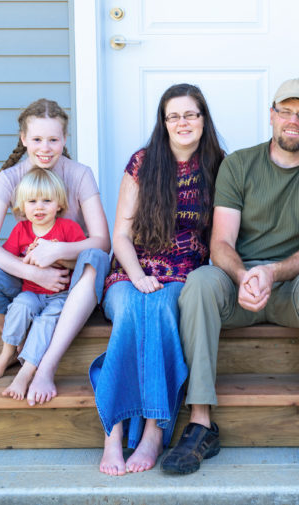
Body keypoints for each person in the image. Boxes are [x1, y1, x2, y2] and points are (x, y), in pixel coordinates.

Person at [162, 78, 299, 477]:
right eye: (285, 111)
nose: (293, 121)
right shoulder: (239, 164)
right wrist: (246, 274)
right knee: (198, 282)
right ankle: (200, 421)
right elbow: (220, 243)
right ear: (271, 114)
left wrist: (273, 272)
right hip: (240, 285)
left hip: (293, 288)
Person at [89, 83, 225, 476]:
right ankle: (112, 434)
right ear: (163, 123)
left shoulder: (218, 165)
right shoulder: (143, 162)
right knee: (132, 309)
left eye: (191, 114)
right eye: (173, 116)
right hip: (131, 268)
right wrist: (136, 275)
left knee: (162, 309)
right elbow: (120, 234)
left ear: (203, 119)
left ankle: (153, 429)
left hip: (185, 272)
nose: (183, 122)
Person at [0, 98, 111, 404]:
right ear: (23, 140)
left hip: (72, 283)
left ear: (65, 140)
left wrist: (57, 249)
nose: (45, 147)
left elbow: (102, 241)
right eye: (37, 139)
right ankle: (24, 343)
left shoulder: (79, 174)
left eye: (53, 139)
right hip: (29, 281)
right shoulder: (9, 179)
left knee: (95, 258)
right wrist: (34, 272)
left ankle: (44, 363)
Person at [0, 168, 86, 397]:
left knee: (45, 322)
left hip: (60, 295)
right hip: (31, 292)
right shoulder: (21, 230)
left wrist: (58, 258)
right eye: (32, 201)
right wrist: (27, 259)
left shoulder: (69, 229)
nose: (39, 207)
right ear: (22, 206)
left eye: (47, 200)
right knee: (19, 307)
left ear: (59, 204)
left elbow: (82, 262)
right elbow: (9, 260)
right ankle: (5, 354)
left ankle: (25, 373)